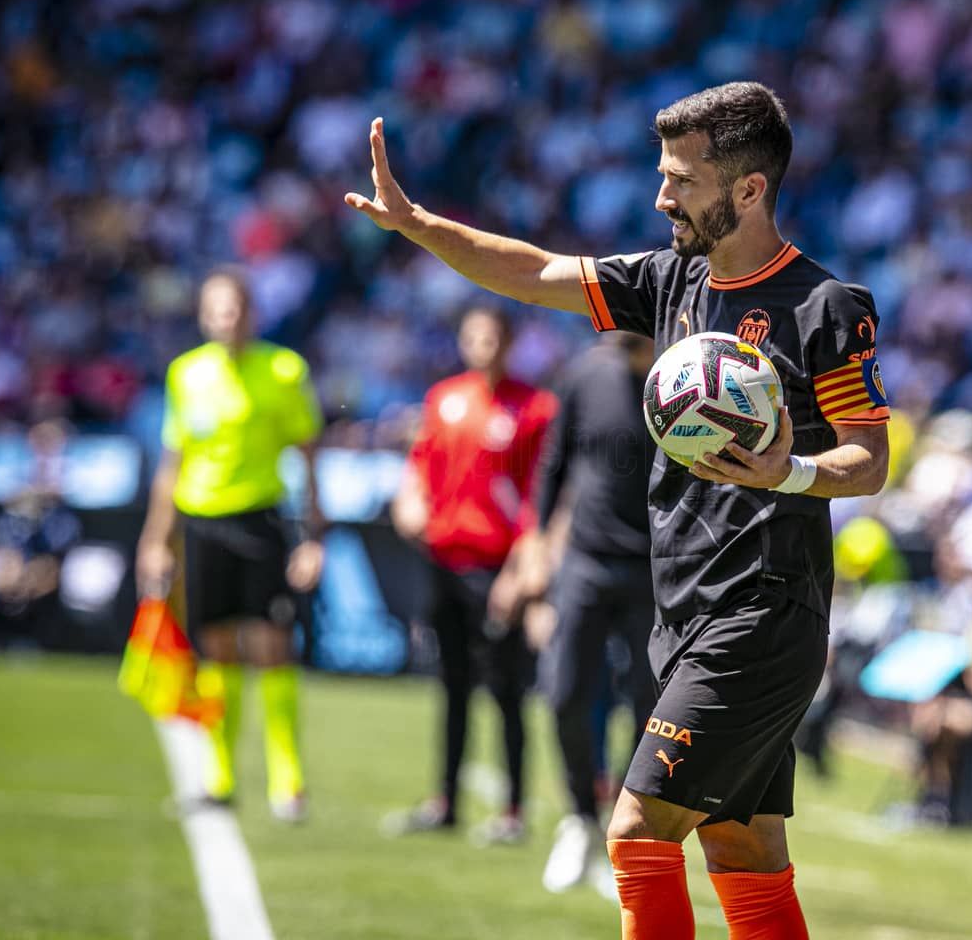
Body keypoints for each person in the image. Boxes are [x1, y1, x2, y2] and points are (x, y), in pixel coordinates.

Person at [348, 80, 890, 939]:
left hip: (762, 613)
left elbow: (868, 462)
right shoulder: (667, 279)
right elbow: (532, 271)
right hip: (683, 612)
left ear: (748, 189)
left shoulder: (825, 308)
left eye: (681, 178)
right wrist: (420, 227)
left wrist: (786, 473)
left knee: (636, 831)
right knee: (743, 847)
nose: (659, 195)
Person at [136, 269, 325, 822]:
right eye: (217, 308)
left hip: (262, 520)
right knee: (214, 646)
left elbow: (309, 456)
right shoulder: (185, 374)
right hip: (202, 523)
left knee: (272, 645)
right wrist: (156, 539)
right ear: (203, 315)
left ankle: (286, 779)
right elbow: (173, 463)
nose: (228, 318)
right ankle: (218, 775)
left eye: (236, 308)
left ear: (252, 313)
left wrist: (312, 536)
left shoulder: (284, 370)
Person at [381, 306, 557, 844]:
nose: (483, 347)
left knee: (506, 690)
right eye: (474, 337)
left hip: (496, 567)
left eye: (492, 338)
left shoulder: (535, 408)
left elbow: (539, 497)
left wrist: (522, 569)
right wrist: (407, 502)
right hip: (443, 561)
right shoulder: (444, 399)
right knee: (451, 686)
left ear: (509, 343)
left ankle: (512, 810)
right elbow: (420, 466)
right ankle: (446, 801)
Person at [524, 330, 660, 893]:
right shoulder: (585, 375)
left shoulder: (685, 380)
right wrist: (534, 548)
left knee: (649, 708)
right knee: (563, 691)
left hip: (656, 568)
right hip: (585, 559)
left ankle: (620, 833)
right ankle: (580, 816)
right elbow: (554, 464)